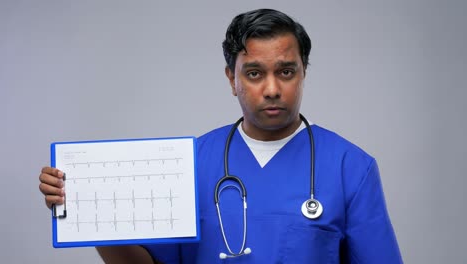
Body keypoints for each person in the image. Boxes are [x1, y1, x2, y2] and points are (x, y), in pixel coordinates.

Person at [39, 8, 403, 263]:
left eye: (287, 71)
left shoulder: (350, 168)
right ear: (232, 79)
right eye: (255, 73)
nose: (272, 89)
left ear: (303, 73)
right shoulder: (191, 164)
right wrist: (85, 207)